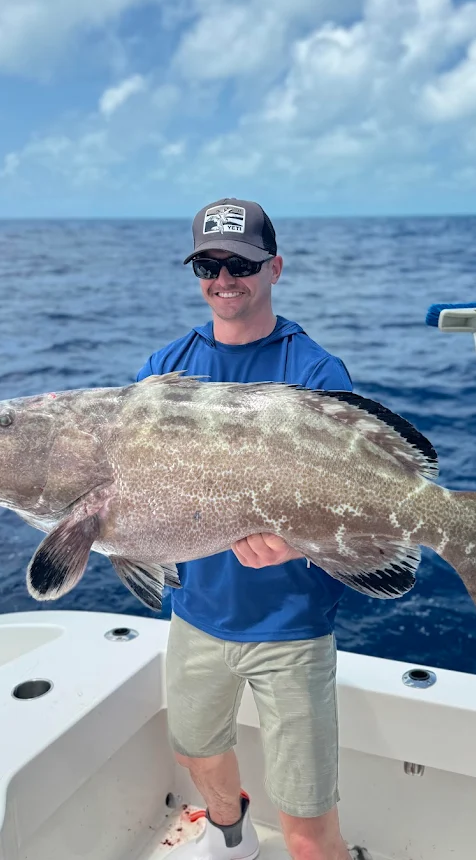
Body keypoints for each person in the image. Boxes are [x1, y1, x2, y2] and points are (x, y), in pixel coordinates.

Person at [136, 198, 358, 860]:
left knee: (308, 828)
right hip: (197, 614)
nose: (223, 278)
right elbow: (143, 485)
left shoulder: (316, 372)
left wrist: (297, 542)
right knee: (194, 748)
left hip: (290, 626)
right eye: (208, 263)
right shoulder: (161, 371)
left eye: (240, 264)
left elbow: (352, 501)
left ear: (275, 268)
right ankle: (232, 839)